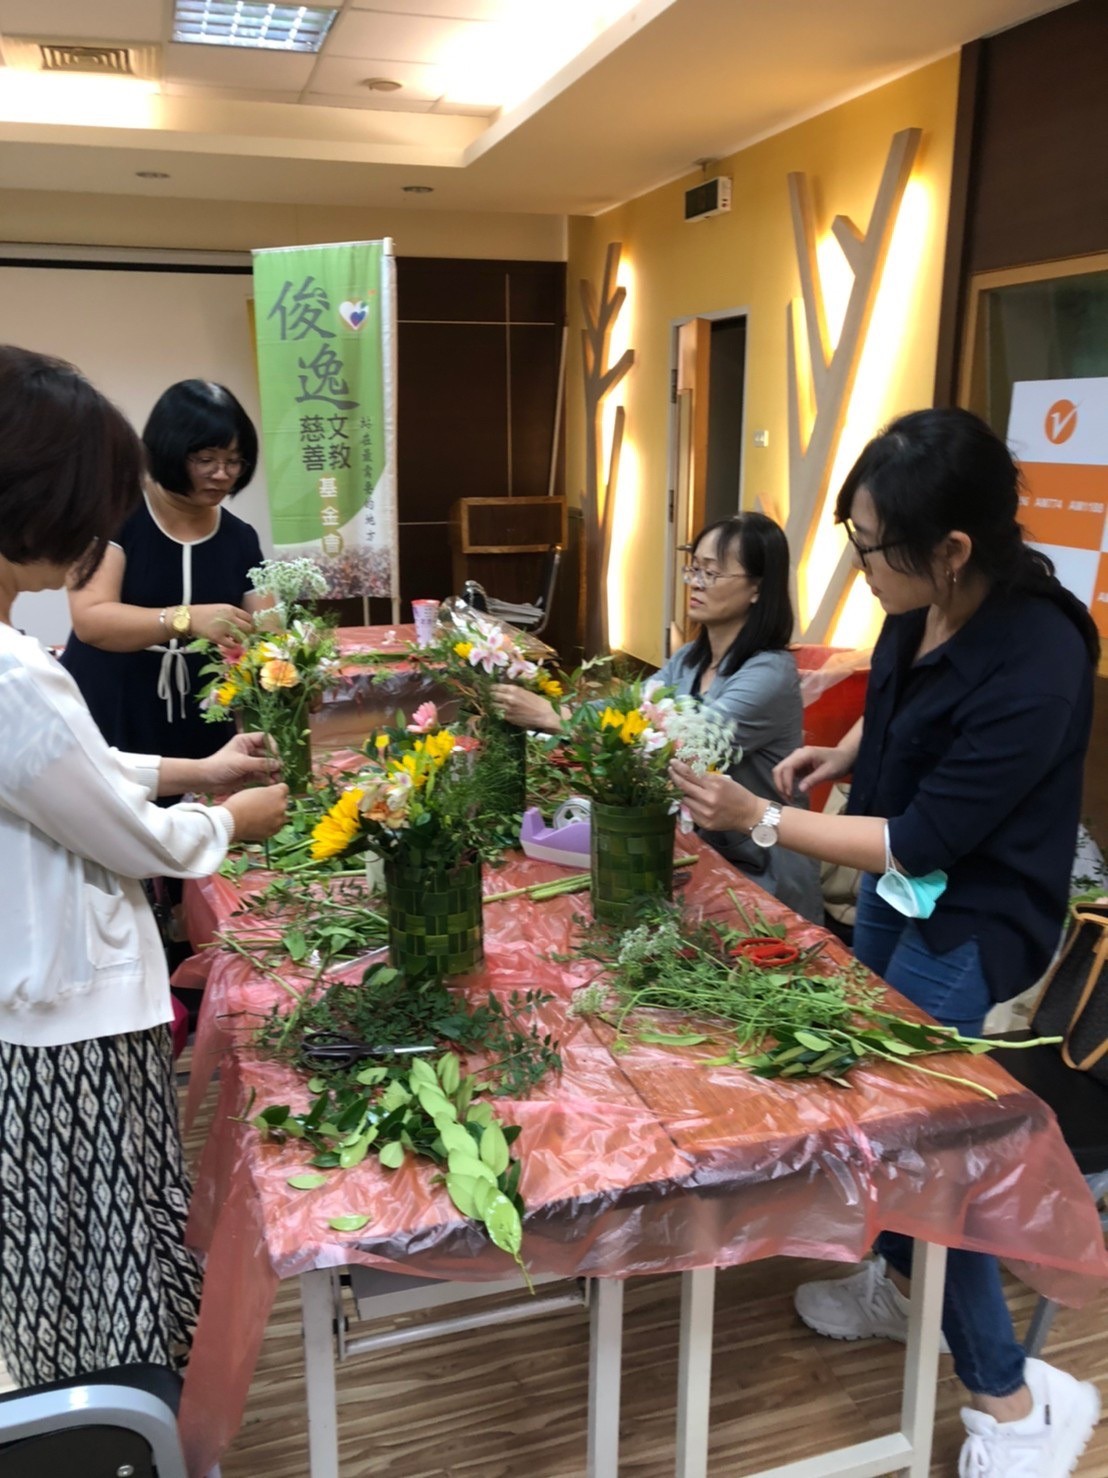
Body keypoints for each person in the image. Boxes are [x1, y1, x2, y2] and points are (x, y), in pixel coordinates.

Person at [672, 408, 1101, 1477]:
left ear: (951, 548)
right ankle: (904, 1286)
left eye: (871, 548)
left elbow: (923, 839)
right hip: (893, 889)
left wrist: (761, 817)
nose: (860, 566)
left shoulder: (1040, 653)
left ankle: (1013, 1402)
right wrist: (844, 752)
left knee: (915, 1145)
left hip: (972, 917)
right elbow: (903, 698)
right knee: (881, 1122)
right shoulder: (925, 601)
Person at [0, 345, 288, 1387]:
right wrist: (228, 819)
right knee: (100, 1244)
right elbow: (128, 834)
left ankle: (101, 1401)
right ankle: (113, 1414)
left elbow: (73, 768)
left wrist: (195, 769)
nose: (94, 530)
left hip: (44, 996)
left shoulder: (18, 664)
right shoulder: (16, 676)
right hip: (59, 1016)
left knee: (72, 1246)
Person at [493, 512, 823, 922]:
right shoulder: (690, 659)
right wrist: (552, 709)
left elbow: (682, 751)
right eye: (694, 569)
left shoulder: (768, 674)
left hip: (763, 873)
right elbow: (627, 710)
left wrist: (555, 719)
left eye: (712, 573)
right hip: (704, 853)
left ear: (757, 587)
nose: (696, 583)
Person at [63, 378, 268, 790]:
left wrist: (289, 667)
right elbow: (91, 619)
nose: (222, 474)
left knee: (204, 816)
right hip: (116, 703)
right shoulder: (115, 514)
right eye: (206, 459)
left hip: (203, 713)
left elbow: (266, 633)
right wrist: (185, 619)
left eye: (235, 461)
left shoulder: (241, 538)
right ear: (168, 451)